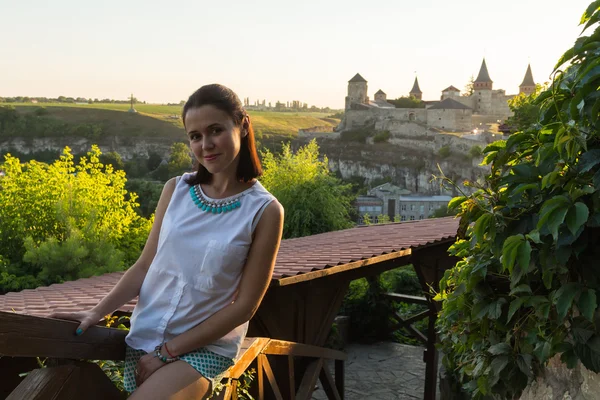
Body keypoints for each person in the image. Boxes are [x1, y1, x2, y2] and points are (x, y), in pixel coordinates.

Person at [50, 84, 284, 400]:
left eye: (215, 130)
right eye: (195, 136)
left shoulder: (265, 210)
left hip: (201, 350)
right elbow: (146, 265)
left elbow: (245, 306)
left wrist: (169, 351)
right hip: (144, 339)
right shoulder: (176, 190)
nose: (206, 145)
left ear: (242, 126)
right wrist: (96, 312)